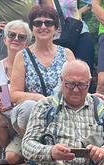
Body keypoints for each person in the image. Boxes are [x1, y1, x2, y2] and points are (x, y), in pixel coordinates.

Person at [10, 4, 76, 137]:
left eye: (49, 23)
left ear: (56, 27)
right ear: (32, 28)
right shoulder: (23, 56)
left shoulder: (67, 54)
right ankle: (32, 144)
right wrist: (38, 99)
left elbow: (77, 84)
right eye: (38, 23)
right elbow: (14, 94)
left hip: (63, 112)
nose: (43, 27)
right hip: (33, 115)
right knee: (28, 106)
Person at [0, 21, 33, 165]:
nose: (16, 39)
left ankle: (26, 149)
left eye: (22, 37)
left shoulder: (32, 66)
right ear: (5, 39)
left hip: (27, 123)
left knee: (13, 159)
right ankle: (7, 147)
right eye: (12, 35)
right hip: (7, 121)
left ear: (27, 44)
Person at [52, 0, 96, 72]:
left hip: (79, 34)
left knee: (85, 73)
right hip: (54, 39)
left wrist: (81, 11)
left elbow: (96, 2)